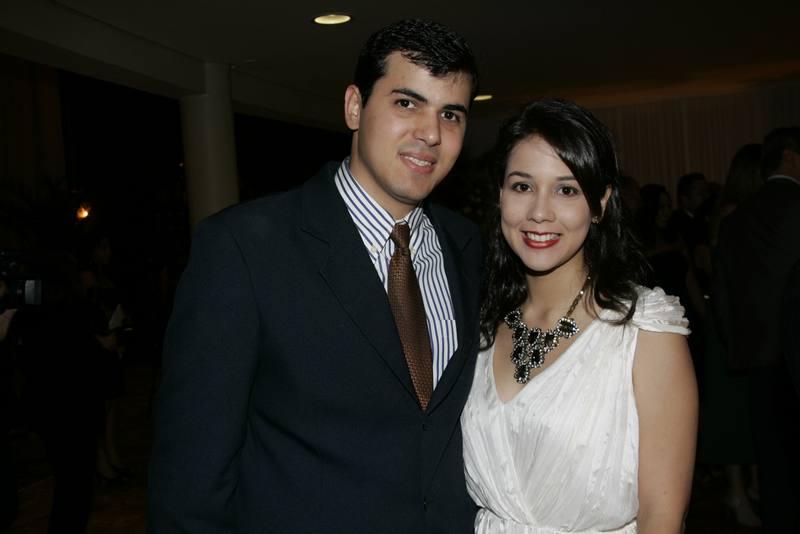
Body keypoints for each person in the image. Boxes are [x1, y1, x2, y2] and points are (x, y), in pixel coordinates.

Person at [148, 19, 482, 533]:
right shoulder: (244, 247)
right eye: (406, 103)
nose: (431, 133)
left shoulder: (468, 246)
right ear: (354, 107)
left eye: (451, 114)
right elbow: (190, 480)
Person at [461, 99, 698, 533]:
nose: (540, 212)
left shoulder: (645, 330)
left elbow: (662, 518)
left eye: (566, 190)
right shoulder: (478, 323)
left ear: (600, 203)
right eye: (522, 186)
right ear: (500, 195)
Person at [715, 127, 800, 532]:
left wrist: (735, 345)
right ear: (790, 156)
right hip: (793, 353)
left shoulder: (736, 218)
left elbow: (722, 290)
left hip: (757, 356)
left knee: (773, 463)